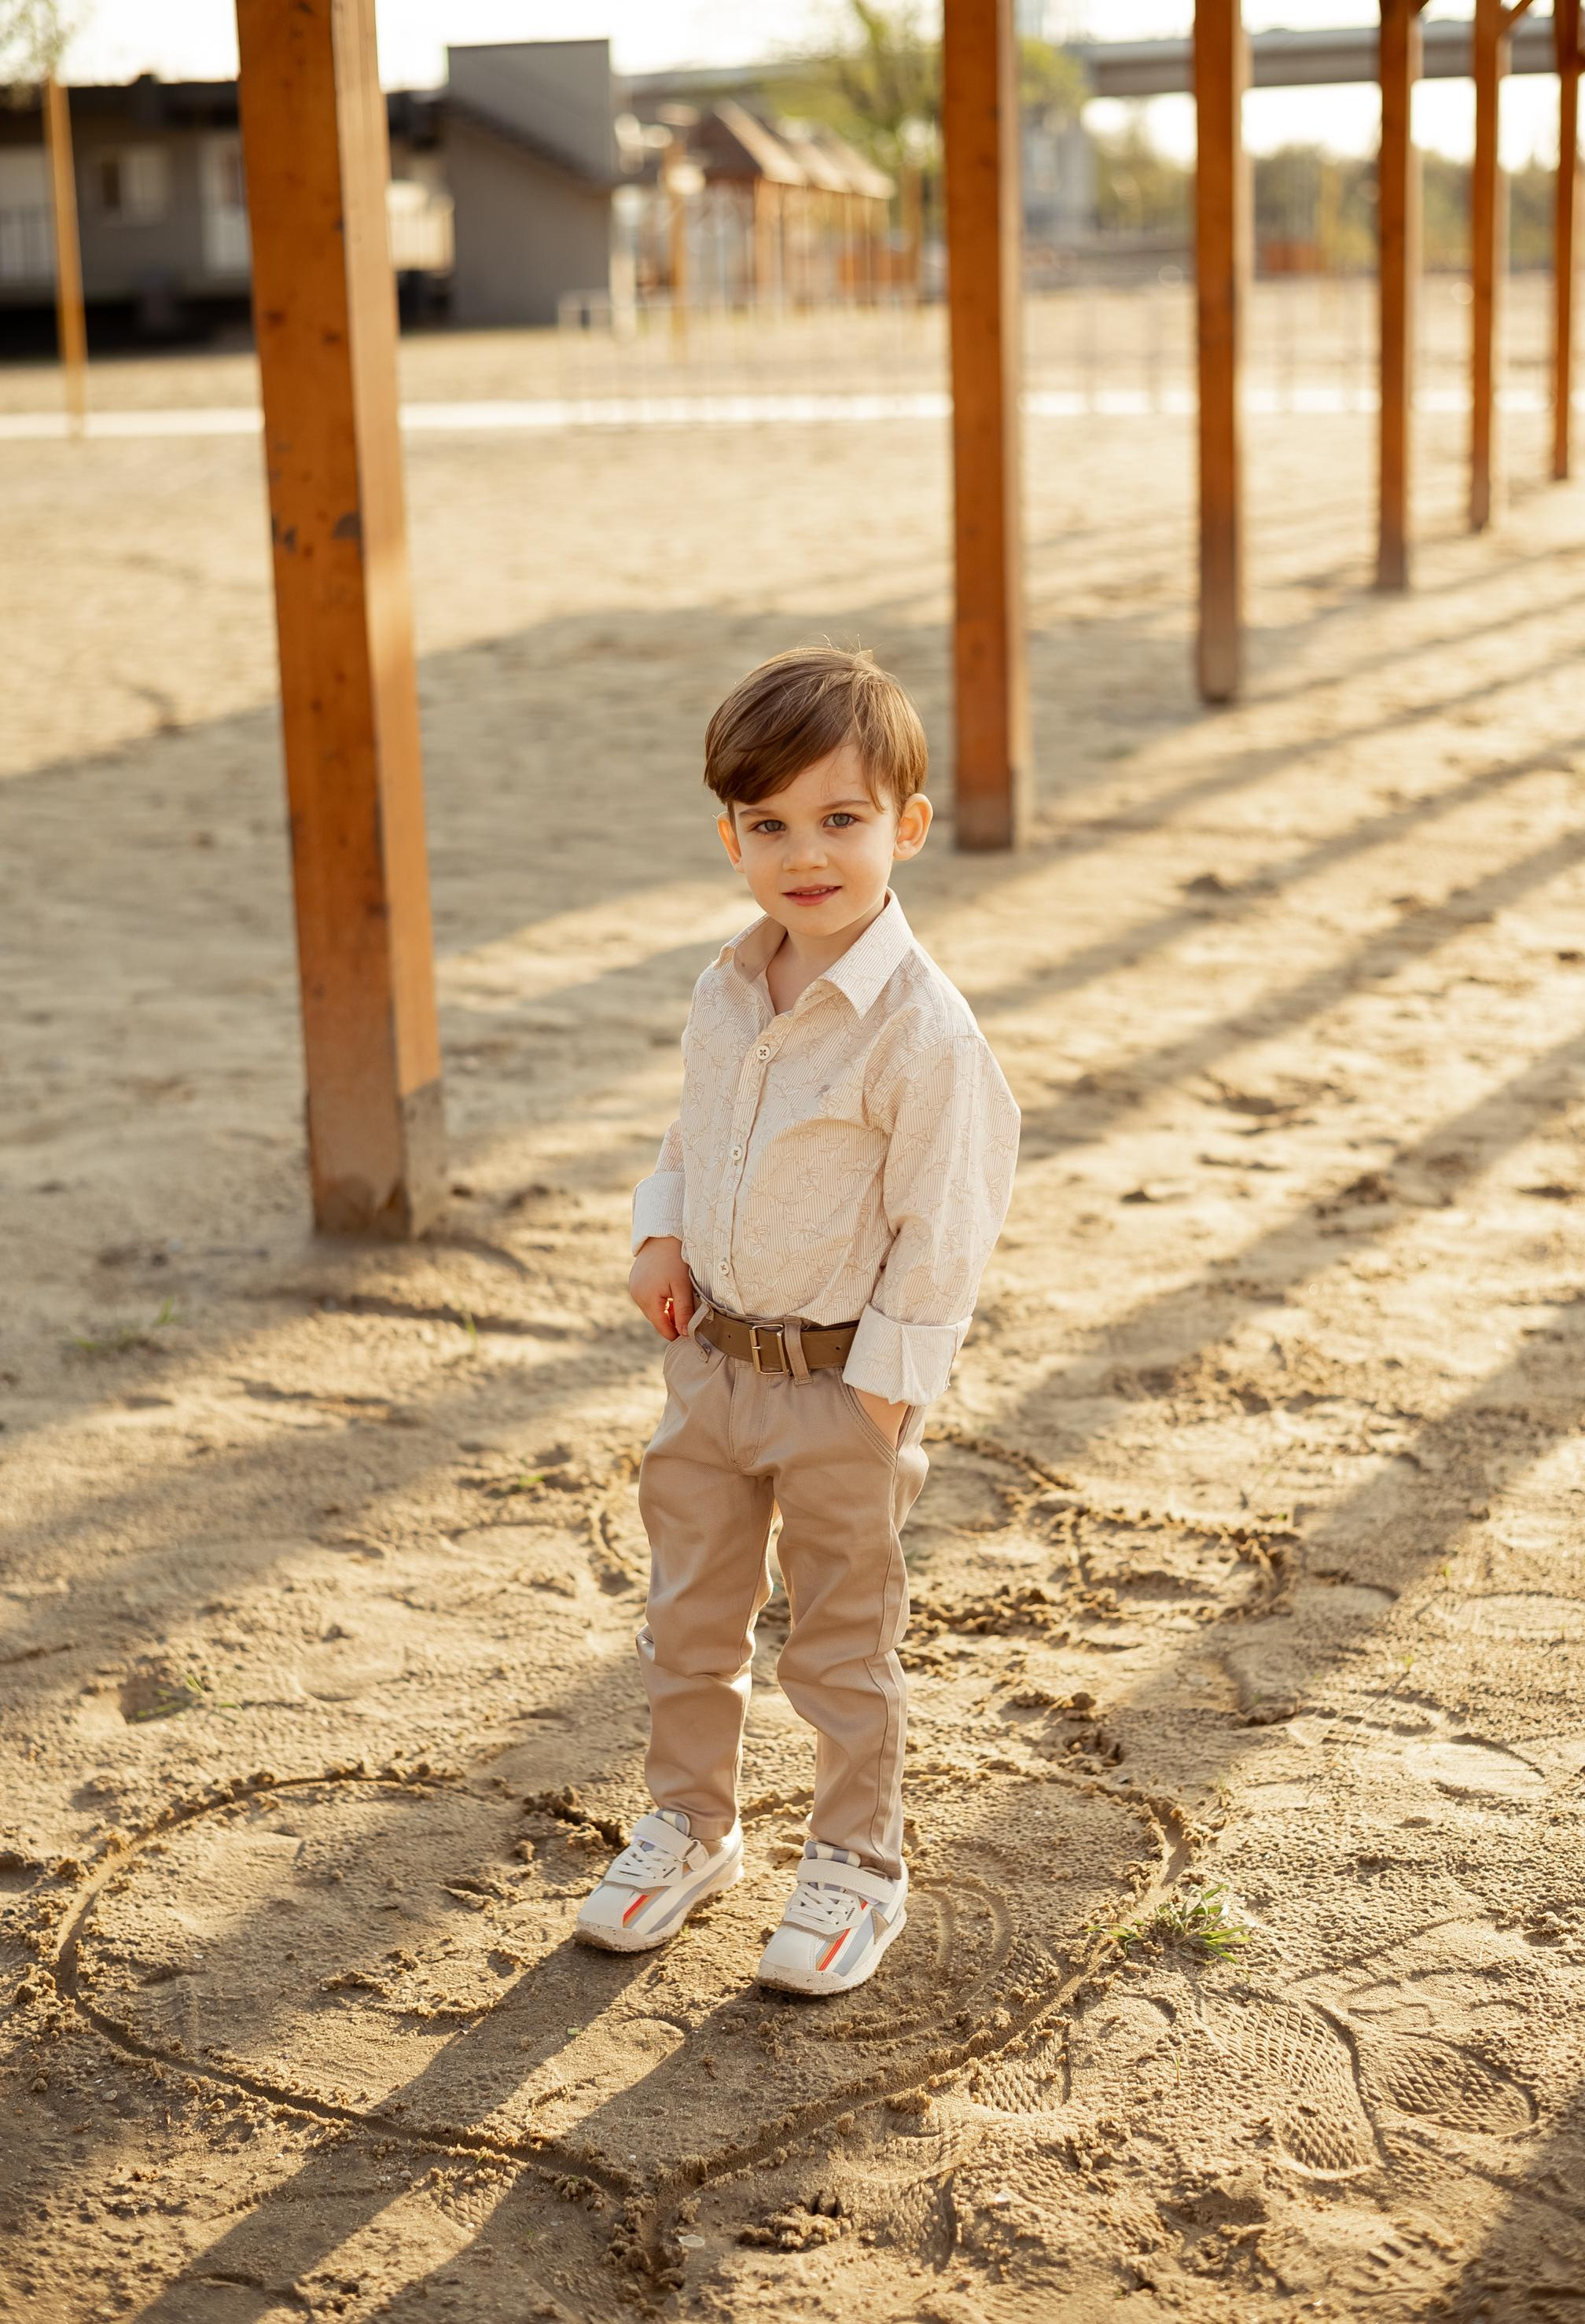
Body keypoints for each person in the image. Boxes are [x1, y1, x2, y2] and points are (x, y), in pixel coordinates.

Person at [575, 645, 1020, 1996]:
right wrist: (663, 1222)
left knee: (838, 1639)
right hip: (711, 1369)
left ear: (907, 828)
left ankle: (856, 1859)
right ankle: (692, 1825)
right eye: (768, 825)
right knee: (691, 1617)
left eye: (842, 820)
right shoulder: (729, 987)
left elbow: (947, 1227)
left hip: (842, 1390)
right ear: (731, 837)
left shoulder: (923, 1036)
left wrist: (882, 1398)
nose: (805, 854)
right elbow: (698, 1126)